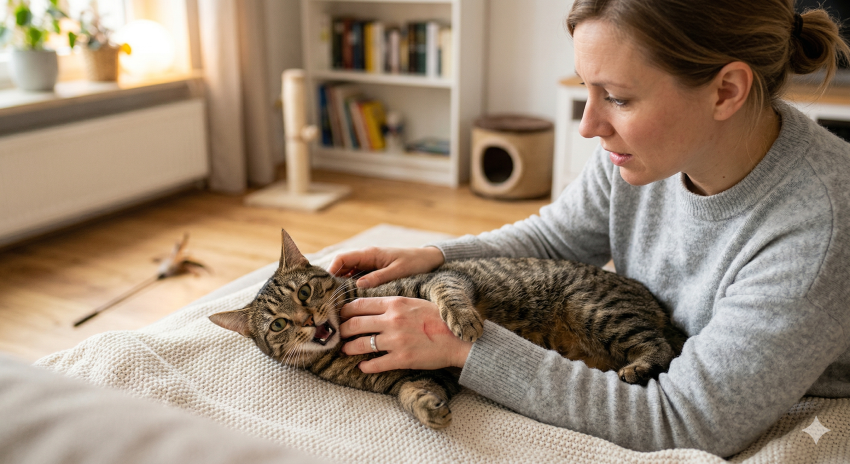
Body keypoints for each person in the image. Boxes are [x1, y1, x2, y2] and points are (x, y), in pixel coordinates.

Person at [328, 0, 850, 457]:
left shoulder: (819, 226)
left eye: (618, 97)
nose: (588, 123)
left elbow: (683, 419)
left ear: (726, 91)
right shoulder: (640, 150)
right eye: (586, 89)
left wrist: (463, 348)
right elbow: (556, 240)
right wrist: (438, 256)